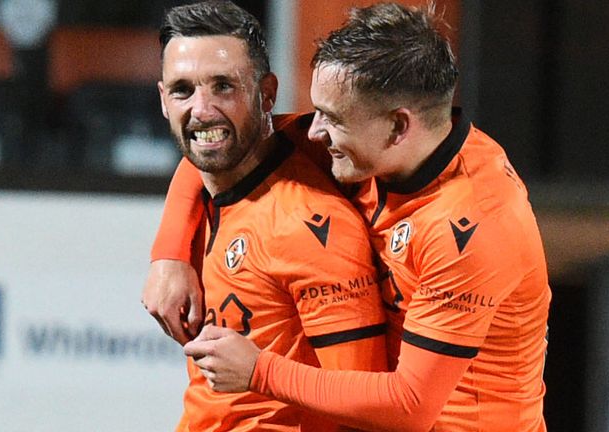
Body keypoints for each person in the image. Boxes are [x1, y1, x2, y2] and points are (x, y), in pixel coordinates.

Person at [148, 2, 552, 431]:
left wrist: (259, 371)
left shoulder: (473, 224)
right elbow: (218, 146)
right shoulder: (365, 148)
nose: (314, 129)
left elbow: (410, 405)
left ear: (398, 127)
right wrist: (168, 255)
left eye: (332, 118)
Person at [150, 2, 388, 431]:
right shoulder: (210, 187)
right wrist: (167, 253)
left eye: (223, 86)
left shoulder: (312, 227)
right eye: (183, 90)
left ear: (267, 94)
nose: (202, 109)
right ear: (164, 101)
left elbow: (367, 409)